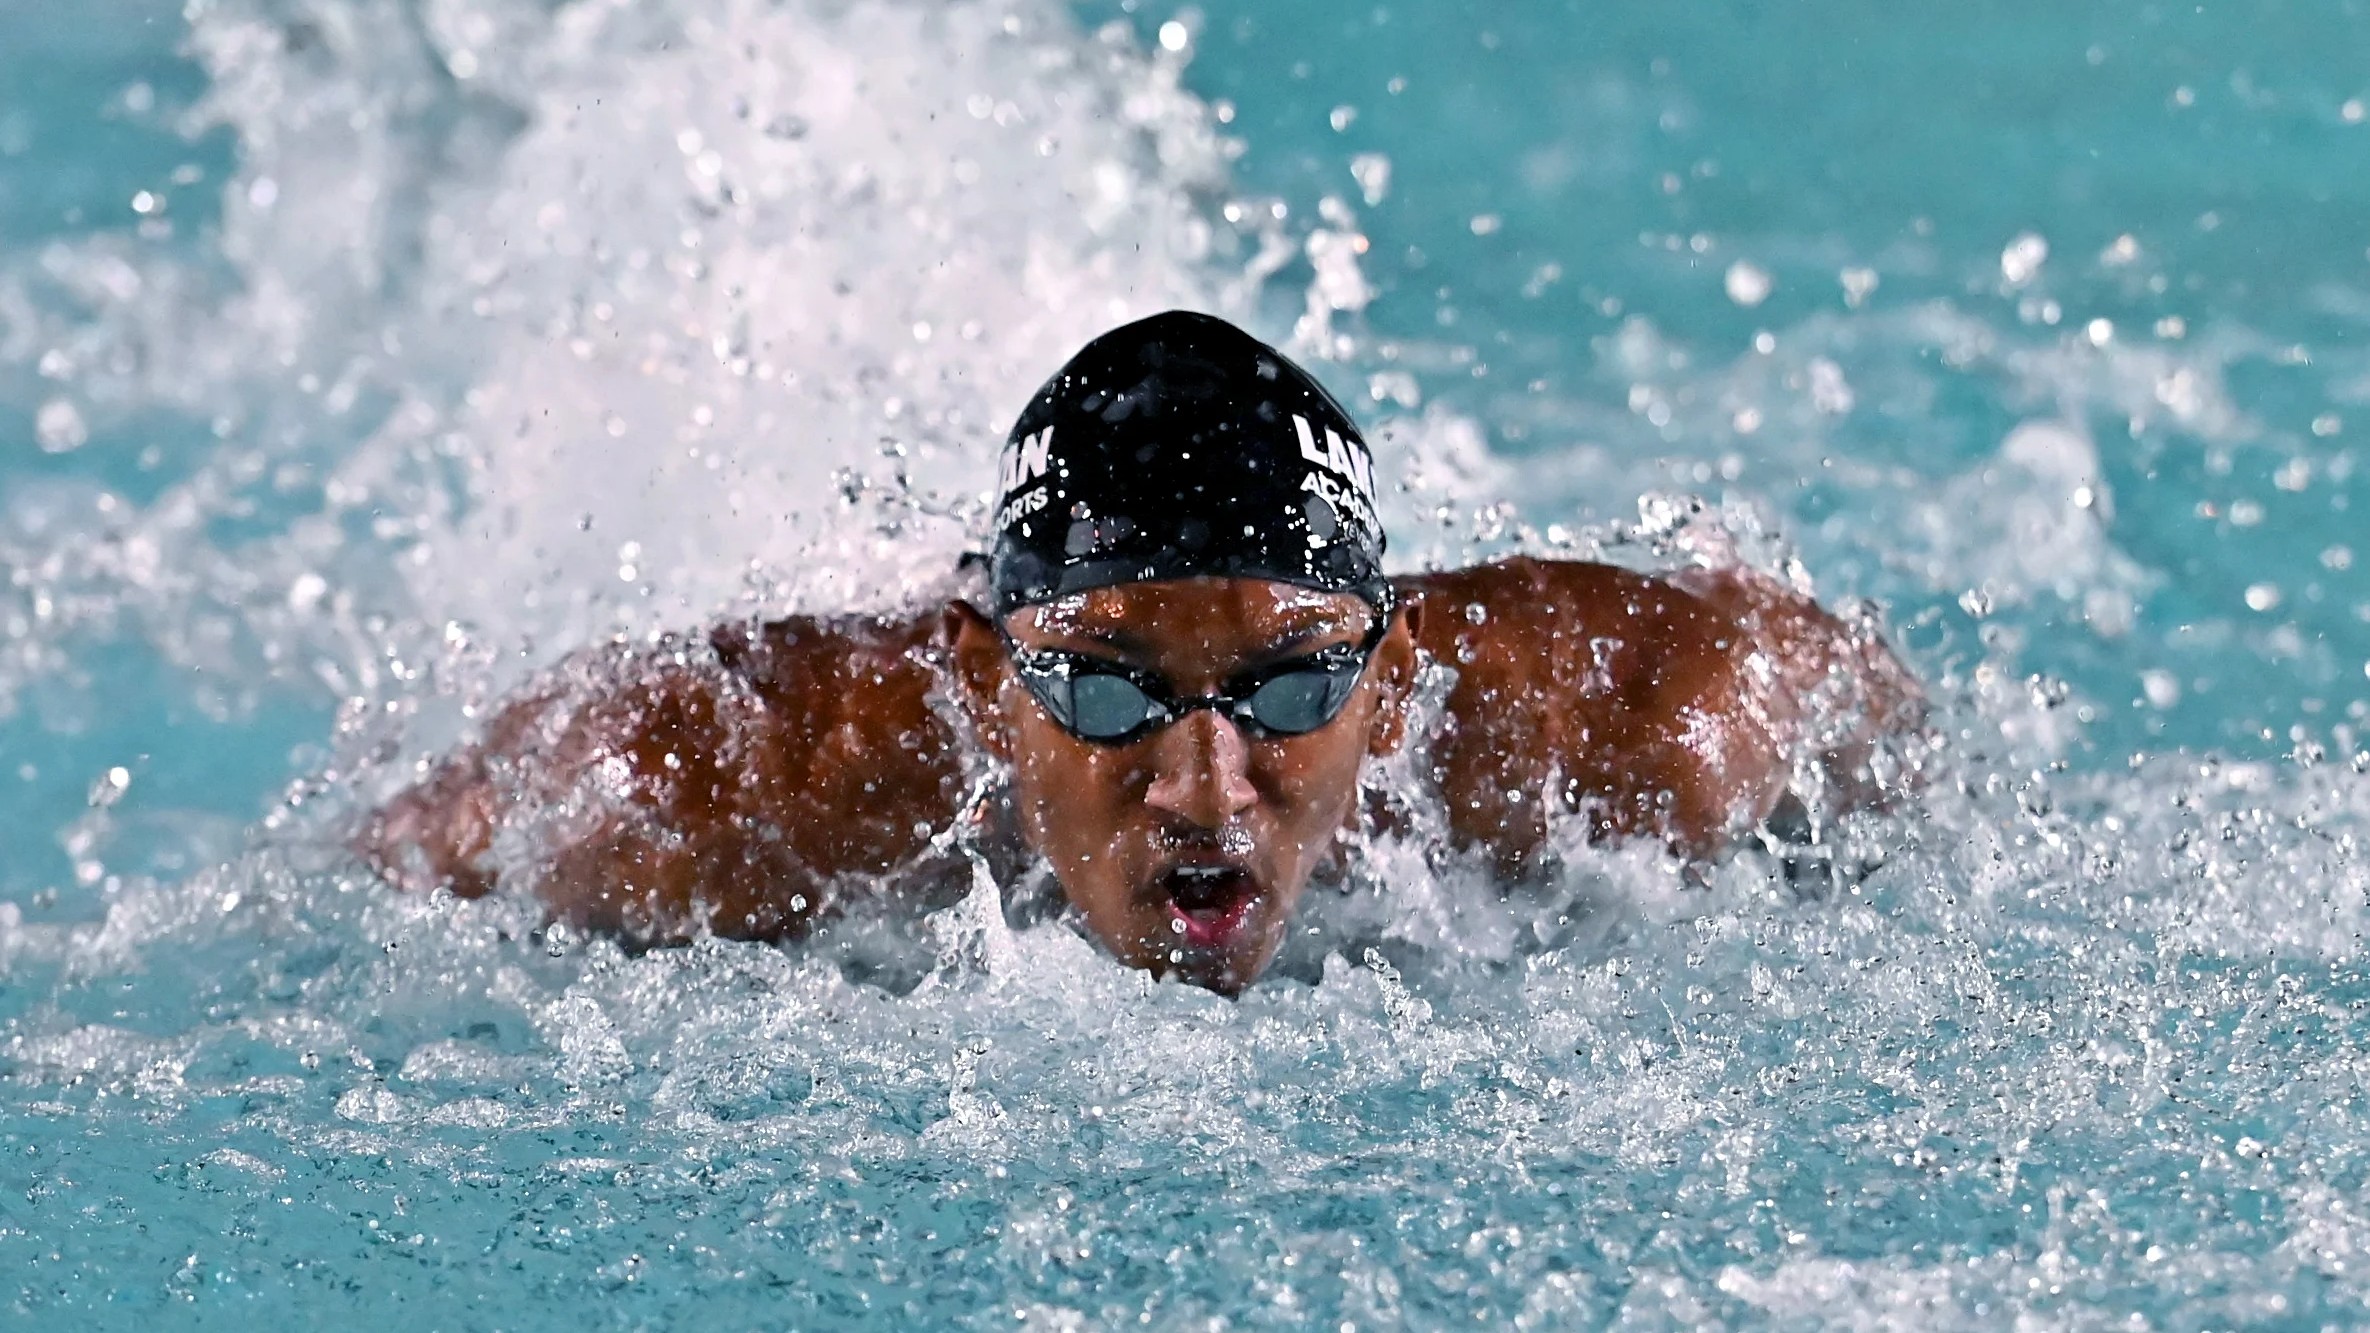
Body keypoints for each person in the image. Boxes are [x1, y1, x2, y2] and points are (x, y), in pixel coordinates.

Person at [363, 310, 1922, 994]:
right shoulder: (757, 779)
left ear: (1388, 679)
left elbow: (1872, 713)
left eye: (1295, 679)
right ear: (988, 682)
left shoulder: (1634, 723)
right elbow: (424, 843)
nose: (1200, 781)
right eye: (1103, 684)